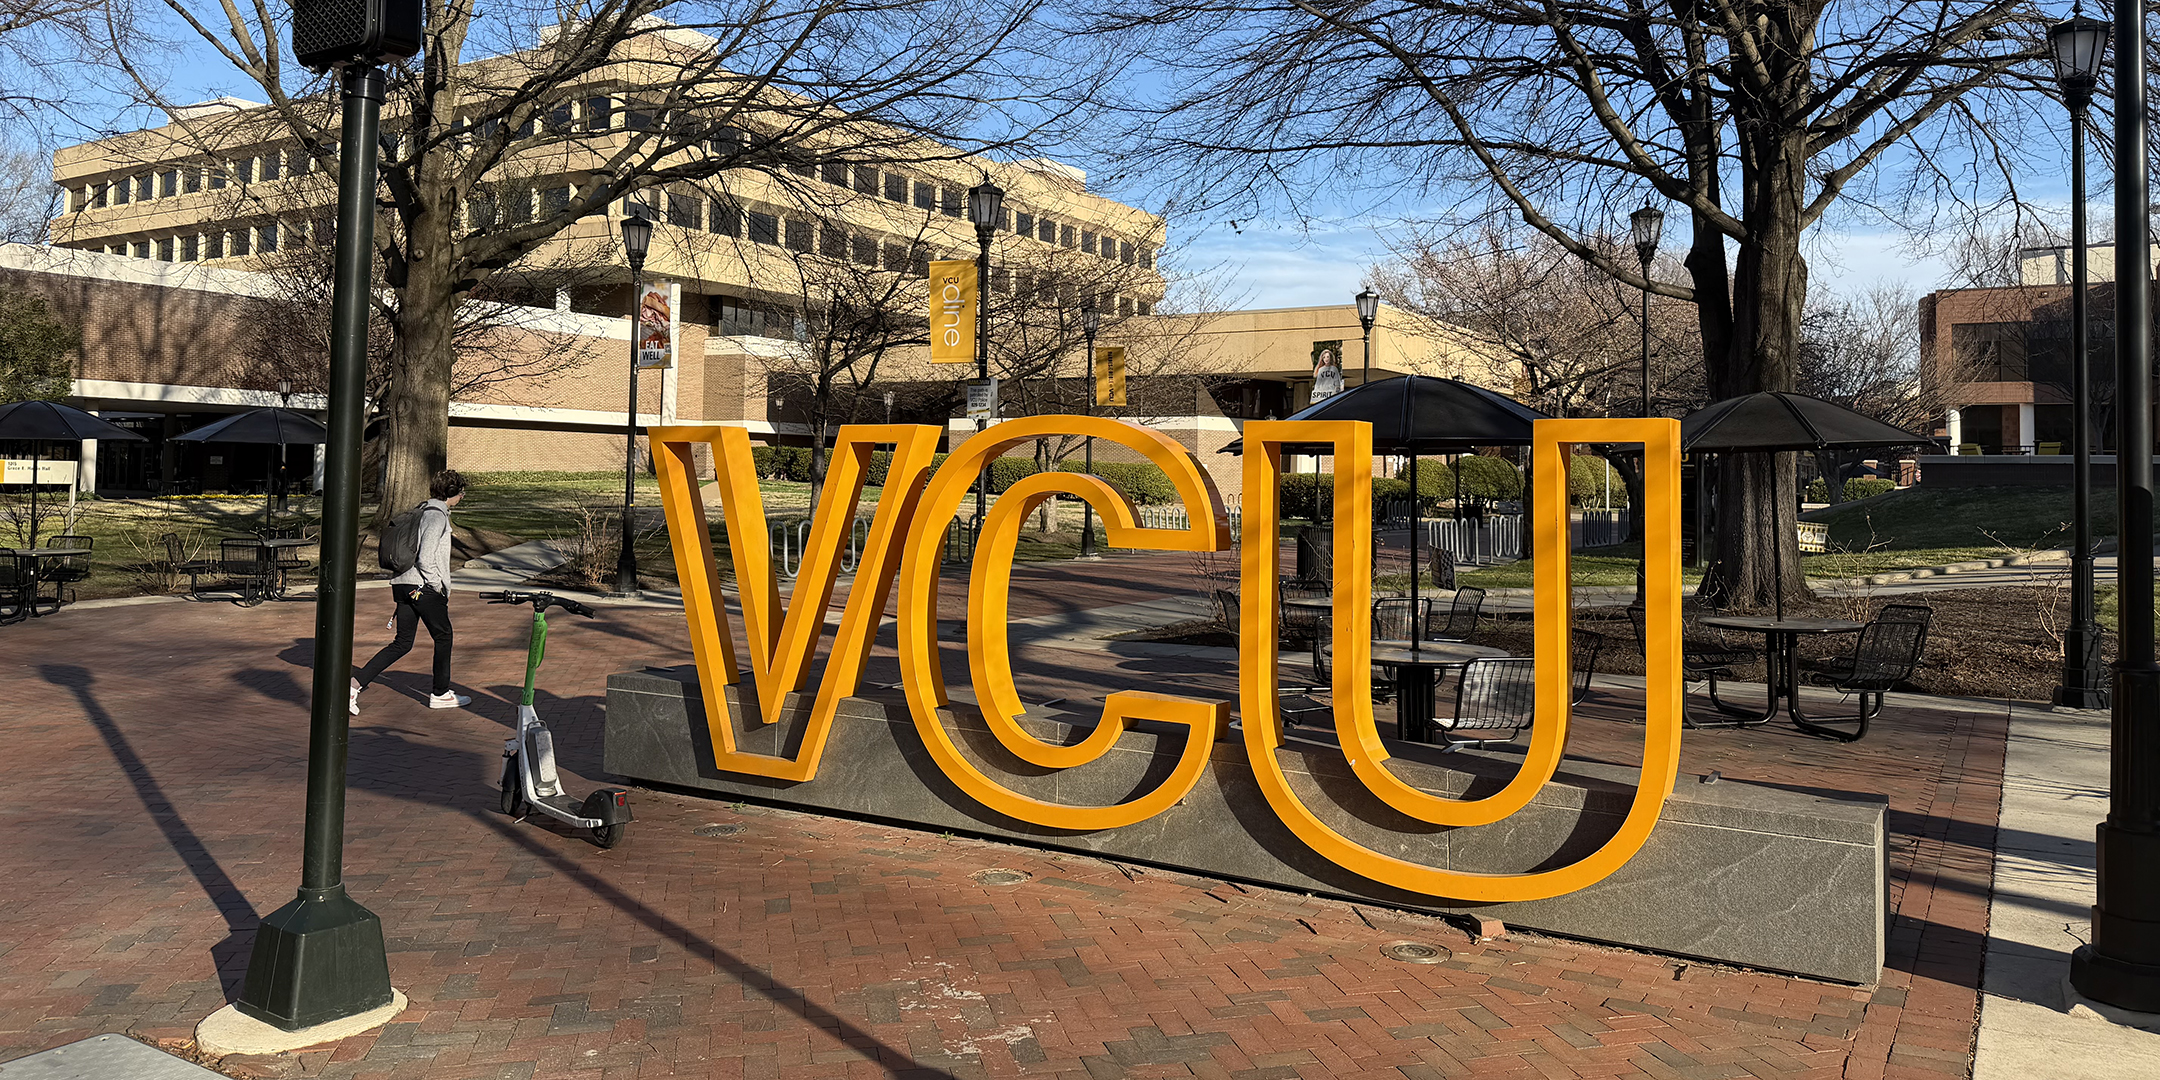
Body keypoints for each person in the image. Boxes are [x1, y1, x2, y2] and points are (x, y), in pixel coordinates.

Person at [351, 470, 471, 714]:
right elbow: (426, 557)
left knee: (403, 643)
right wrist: (437, 585)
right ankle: (440, 693)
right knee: (444, 636)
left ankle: (354, 686)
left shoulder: (421, 510)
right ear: (451, 493)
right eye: (461, 493)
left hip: (403, 585)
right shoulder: (436, 517)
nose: (462, 497)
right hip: (423, 587)